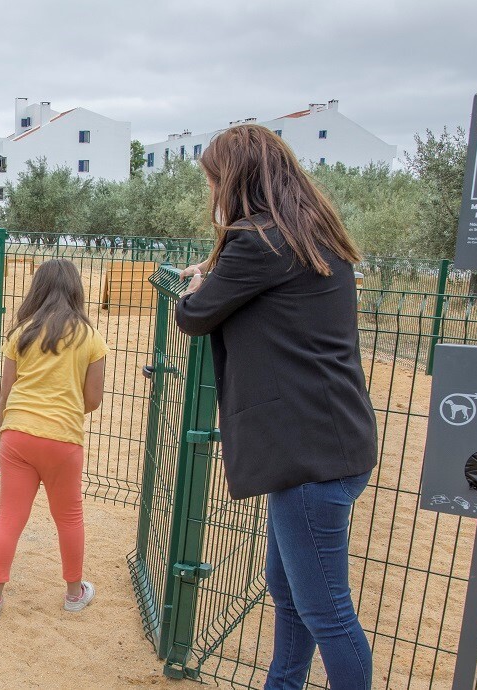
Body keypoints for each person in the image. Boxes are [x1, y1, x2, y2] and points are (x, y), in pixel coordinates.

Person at [173, 124, 377, 689]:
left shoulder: (259, 242)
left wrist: (195, 288)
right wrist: (215, 276)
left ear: (236, 180)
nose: (210, 194)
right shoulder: (304, 233)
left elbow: (193, 317)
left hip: (309, 455)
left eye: (213, 181)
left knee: (328, 613)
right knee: (290, 595)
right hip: (331, 443)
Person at [0, 258, 107, 621]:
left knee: (9, 518)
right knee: (69, 517)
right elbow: (93, 400)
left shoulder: (22, 333)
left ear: (38, 289)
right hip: (63, 438)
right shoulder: (91, 337)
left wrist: (6, 430)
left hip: (17, 435)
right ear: (75, 290)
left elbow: (5, 392)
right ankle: (73, 593)